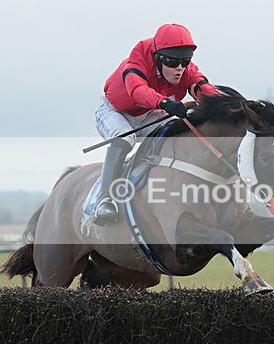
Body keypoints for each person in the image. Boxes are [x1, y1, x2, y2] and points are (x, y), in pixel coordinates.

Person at [93, 23, 220, 224]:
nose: (179, 69)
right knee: (124, 138)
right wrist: (165, 103)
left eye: (185, 62)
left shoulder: (184, 70)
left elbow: (202, 86)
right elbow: (137, 90)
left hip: (151, 113)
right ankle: (104, 199)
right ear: (158, 57)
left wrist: (226, 105)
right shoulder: (138, 59)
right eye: (173, 62)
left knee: (178, 130)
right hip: (115, 112)